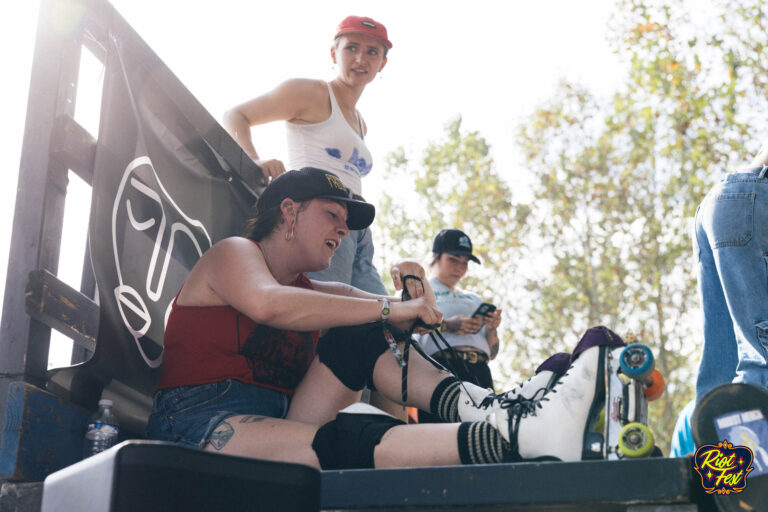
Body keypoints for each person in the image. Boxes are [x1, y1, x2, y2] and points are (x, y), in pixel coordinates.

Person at [145, 167, 624, 470]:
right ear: (288, 212)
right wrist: (390, 308)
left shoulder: (311, 289)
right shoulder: (234, 253)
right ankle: (515, 436)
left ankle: (496, 409)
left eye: (346, 222)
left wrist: (410, 296)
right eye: (333, 214)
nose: (343, 230)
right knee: (351, 437)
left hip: (277, 420)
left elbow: (380, 312)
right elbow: (270, 305)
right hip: (199, 424)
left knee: (364, 329)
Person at [223, 15, 389, 297]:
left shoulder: (361, 123)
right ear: (333, 53)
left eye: (372, 52)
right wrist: (254, 159)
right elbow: (236, 115)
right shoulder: (311, 93)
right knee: (320, 309)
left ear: (382, 63)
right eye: (352, 48)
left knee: (378, 320)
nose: (361, 58)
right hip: (319, 215)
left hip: (357, 224)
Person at [693, 141, 768, 399]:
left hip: (719, 203)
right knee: (762, 359)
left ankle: (715, 434)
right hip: (756, 198)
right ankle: (756, 434)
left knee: (722, 363)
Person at [416, 229, 501, 422]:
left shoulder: (474, 298)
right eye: (453, 259)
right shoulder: (420, 290)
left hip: (480, 370)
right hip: (439, 369)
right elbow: (403, 328)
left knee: (485, 431)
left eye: (465, 263)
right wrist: (446, 325)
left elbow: (493, 352)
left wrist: (492, 328)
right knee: (441, 431)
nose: (460, 268)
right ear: (435, 257)